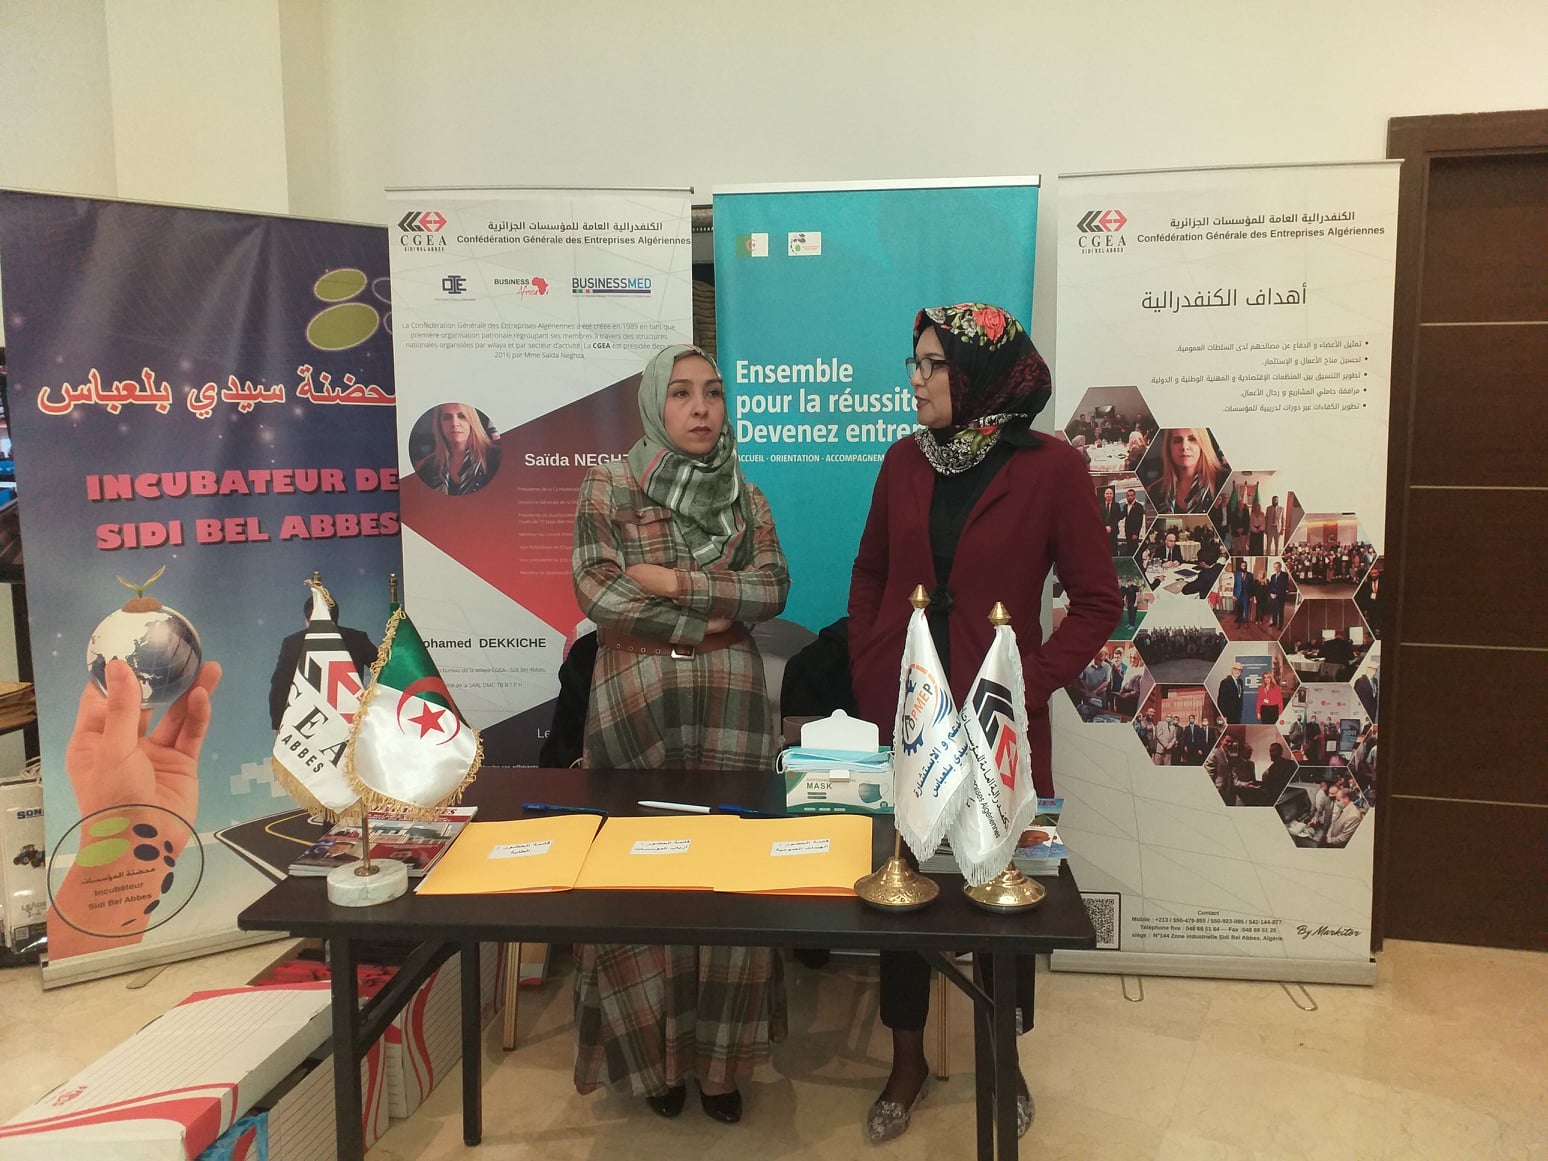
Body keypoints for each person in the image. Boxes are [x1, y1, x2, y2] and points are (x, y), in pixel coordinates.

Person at [848, 303, 1119, 1143]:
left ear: (979, 375)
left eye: (933, 363)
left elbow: (1098, 600)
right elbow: (870, 571)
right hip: (913, 719)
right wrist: (873, 669)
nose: (917, 379)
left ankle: (1005, 1057)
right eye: (915, 362)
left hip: (1000, 726)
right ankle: (906, 1061)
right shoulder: (902, 460)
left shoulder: (1053, 468)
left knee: (1005, 897)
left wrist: (1025, 684)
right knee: (902, 890)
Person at [570, 344, 791, 1124]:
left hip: (731, 705)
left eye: (714, 393)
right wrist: (710, 616)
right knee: (641, 879)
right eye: (683, 393)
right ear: (654, 404)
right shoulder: (609, 485)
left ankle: (721, 1068)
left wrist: (673, 581)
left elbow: (773, 586)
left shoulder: (746, 495)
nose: (701, 408)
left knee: (727, 878)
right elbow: (599, 591)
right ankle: (653, 1064)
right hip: (635, 704)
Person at [268, 594, 378, 730]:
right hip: (350, 721)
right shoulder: (357, 639)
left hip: (308, 725)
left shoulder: (292, 643)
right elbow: (384, 670)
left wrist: (278, 724)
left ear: (307, 620)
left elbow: (280, 686)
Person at [415, 401, 501, 495]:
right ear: (440, 424)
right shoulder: (427, 467)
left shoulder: (496, 458)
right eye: (447, 417)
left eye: (462, 416)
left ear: (472, 421)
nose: (454, 423)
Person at [1152, 428, 1225, 513]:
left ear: (1203, 444)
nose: (1184, 447)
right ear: (1169, 448)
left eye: (1192, 439)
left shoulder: (1223, 480)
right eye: (1178, 440)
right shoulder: (1156, 491)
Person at [1099, 485, 1122, 554]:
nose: (1109, 495)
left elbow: (1117, 518)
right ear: (1104, 495)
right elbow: (1099, 518)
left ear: (1113, 495)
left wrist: (1110, 527)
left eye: (1110, 493)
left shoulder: (1117, 505)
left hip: (1113, 531)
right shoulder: (1099, 505)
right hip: (1102, 531)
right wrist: (1105, 527)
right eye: (1107, 493)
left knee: (1113, 551)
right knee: (1104, 550)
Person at [1122, 487, 1146, 552]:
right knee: (1129, 548)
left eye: (1131, 495)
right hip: (1127, 531)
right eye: (1128, 496)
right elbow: (1122, 516)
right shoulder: (1125, 506)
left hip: (1134, 533)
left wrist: (1136, 533)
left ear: (1134, 496)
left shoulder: (1139, 506)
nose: (1130, 497)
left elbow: (1140, 521)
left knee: (1134, 549)